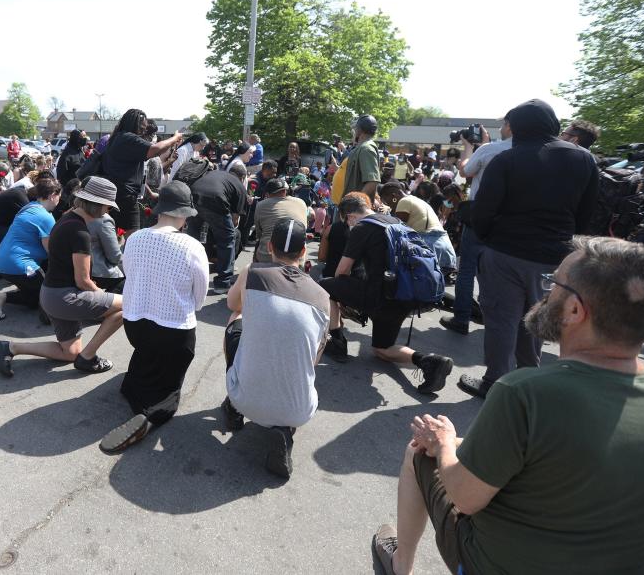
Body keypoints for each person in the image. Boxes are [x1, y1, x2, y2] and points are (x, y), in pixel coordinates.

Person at [372, 236, 644, 575]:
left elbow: (464, 497)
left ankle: (400, 564)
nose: (545, 294)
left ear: (576, 310)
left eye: (554, 284)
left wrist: (445, 442)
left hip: (492, 564)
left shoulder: (524, 393)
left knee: (421, 449)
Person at [460, 99, 599, 399]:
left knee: (501, 320)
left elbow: (483, 211)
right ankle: (528, 379)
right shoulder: (584, 159)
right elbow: (587, 214)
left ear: (518, 127)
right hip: (554, 257)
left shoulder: (508, 159)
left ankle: (495, 381)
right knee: (535, 318)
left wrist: (489, 239)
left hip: (505, 251)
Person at [98, 182, 209, 453]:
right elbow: (200, 297)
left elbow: (129, 274)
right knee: (170, 385)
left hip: (135, 324)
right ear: (184, 214)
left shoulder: (135, 238)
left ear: (159, 210)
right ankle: (150, 417)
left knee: (147, 355)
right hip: (174, 331)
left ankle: (134, 391)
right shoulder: (192, 246)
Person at [222, 219, 328, 479]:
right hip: (299, 409)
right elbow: (314, 358)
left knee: (235, 320)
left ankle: (235, 408)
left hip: (245, 399)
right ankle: (284, 431)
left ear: (270, 247)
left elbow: (232, 303)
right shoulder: (322, 297)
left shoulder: (254, 273)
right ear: (304, 252)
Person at [0, 177, 125, 377]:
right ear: (97, 205)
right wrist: (99, 293)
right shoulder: (81, 233)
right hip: (64, 297)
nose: (108, 211)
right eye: (107, 207)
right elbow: (83, 281)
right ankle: (88, 357)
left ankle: (10, 347)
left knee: (70, 353)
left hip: (50, 294)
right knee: (128, 304)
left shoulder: (67, 217)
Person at [319, 194, 453, 393]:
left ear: (350, 217)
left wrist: (344, 302)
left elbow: (342, 272)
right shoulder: (397, 222)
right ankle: (429, 361)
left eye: (346, 222)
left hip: (379, 296)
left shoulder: (363, 227)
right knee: (382, 349)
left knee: (325, 285)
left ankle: (337, 340)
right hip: (403, 296)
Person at [439, 119, 513, 335]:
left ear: (509, 125)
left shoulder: (490, 150)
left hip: (481, 217)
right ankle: (493, 319)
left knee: (467, 270)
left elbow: (465, 171)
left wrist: (470, 148)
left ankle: (461, 318)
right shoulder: (528, 152)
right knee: (498, 272)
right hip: (510, 221)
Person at [0, 178, 62, 319]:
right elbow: (51, 251)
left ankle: (1, 297)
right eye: (59, 197)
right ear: (52, 195)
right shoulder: (46, 217)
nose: (59, 200)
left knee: (33, 298)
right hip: (20, 265)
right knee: (47, 295)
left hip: (2, 262)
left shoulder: (29, 208)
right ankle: (3, 297)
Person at [102, 109, 184, 237]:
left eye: (145, 128)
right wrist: (174, 138)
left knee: (116, 235)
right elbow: (155, 149)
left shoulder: (118, 138)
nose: (144, 131)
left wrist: (149, 193)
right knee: (133, 237)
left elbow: (134, 175)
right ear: (133, 124)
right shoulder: (128, 138)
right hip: (125, 197)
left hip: (118, 193)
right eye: (141, 127)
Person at [186, 162, 249, 294]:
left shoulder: (216, 173)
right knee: (227, 239)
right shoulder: (239, 186)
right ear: (242, 177)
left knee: (193, 241)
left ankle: (188, 276)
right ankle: (223, 282)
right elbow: (234, 220)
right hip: (216, 201)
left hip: (192, 196)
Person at [378, 181, 457, 272]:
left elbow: (396, 227)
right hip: (443, 246)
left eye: (385, 200)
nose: (387, 204)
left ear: (394, 196)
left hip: (429, 247)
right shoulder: (416, 200)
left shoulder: (403, 202)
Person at [252, 178, 307, 264]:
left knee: (259, 243)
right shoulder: (301, 202)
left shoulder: (261, 205)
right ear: (285, 191)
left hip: (268, 257)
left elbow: (259, 233)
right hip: (297, 259)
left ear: (267, 194)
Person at [342, 114, 381, 200]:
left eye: (356, 128)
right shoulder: (362, 147)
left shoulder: (366, 148)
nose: (354, 131)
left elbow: (372, 181)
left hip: (356, 210)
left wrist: (355, 202)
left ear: (360, 130)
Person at [87, 206, 125, 293]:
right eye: (109, 207)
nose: (108, 210)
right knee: (128, 275)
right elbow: (114, 257)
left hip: (74, 268)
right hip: (97, 272)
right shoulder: (104, 219)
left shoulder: (70, 214)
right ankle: (110, 304)